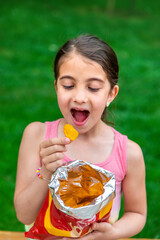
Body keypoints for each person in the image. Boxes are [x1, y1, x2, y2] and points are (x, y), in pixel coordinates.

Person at [14, 34, 147, 240]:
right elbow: (23, 214)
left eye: (93, 87)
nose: (79, 97)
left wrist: (113, 232)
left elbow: (137, 214)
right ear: (56, 86)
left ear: (111, 94)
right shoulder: (37, 136)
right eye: (68, 85)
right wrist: (47, 171)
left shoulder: (128, 153)